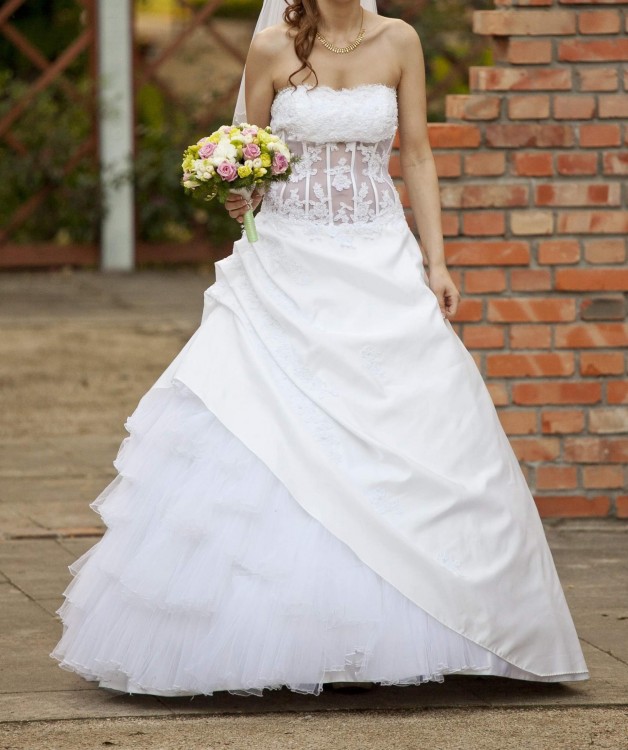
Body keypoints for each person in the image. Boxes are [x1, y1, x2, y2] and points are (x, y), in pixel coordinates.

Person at [51, 0, 589, 696]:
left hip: (377, 252)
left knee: (415, 418)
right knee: (263, 420)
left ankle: (449, 625)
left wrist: (437, 262)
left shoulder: (400, 41)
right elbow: (246, 152)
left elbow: (417, 154)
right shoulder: (272, 48)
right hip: (288, 258)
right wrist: (239, 194)